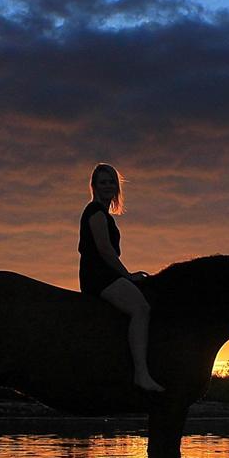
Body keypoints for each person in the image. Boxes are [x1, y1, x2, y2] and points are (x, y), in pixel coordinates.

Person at [79, 163, 166, 393]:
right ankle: (141, 374)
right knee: (141, 309)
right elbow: (105, 250)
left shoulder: (105, 215)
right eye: (103, 182)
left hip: (105, 274)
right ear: (94, 186)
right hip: (99, 276)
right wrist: (127, 275)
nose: (108, 186)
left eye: (111, 182)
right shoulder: (95, 212)